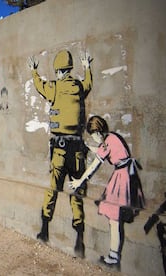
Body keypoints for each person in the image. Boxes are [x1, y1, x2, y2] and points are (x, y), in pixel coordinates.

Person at [28, 50, 93, 258]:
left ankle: (45, 228)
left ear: (57, 70)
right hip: (78, 151)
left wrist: (34, 71)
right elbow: (89, 83)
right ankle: (79, 236)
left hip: (60, 149)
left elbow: (39, 86)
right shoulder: (79, 87)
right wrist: (88, 67)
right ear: (70, 69)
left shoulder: (54, 88)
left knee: (53, 189)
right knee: (76, 192)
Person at [69, 115, 145, 269]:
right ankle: (113, 254)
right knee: (115, 219)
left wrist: (79, 181)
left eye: (93, 135)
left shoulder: (107, 142)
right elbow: (102, 150)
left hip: (121, 178)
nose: (94, 138)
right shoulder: (112, 137)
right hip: (125, 175)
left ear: (97, 133)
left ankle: (113, 255)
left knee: (114, 220)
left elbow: (94, 166)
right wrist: (89, 147)